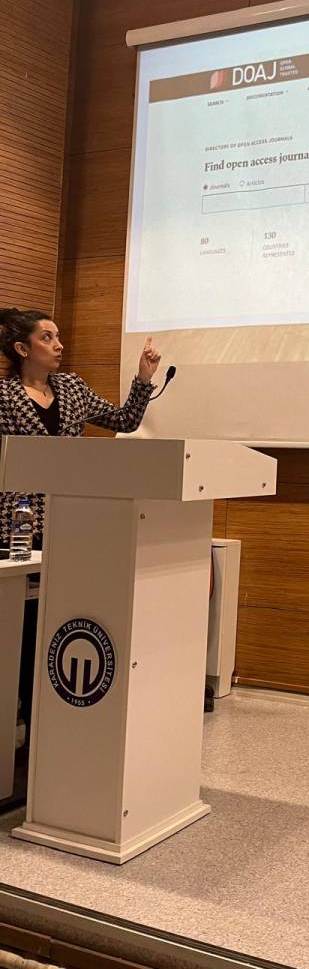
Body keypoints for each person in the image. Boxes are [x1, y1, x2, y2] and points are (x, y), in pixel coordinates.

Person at [0, 306, 160, 758]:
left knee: (58, 622)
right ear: (22, 348)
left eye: (58, 337)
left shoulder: (72, 387)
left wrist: (143, 378)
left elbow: (125, 421)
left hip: (72, 524)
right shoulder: (4, 395)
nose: (59, 345)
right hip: (17, 527)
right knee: (21, 629)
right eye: (48, 338)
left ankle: (46, 731)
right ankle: (18, 725)